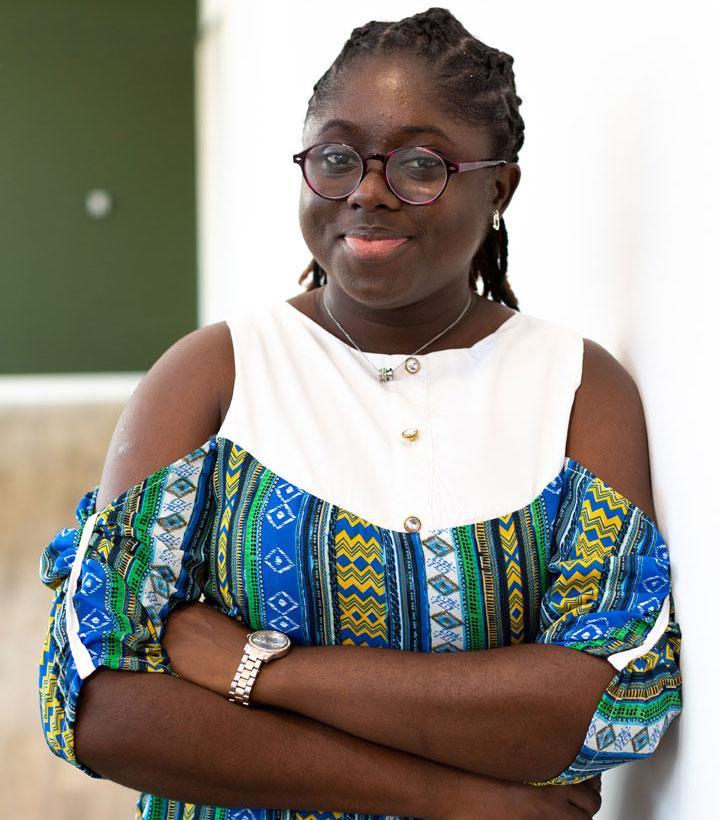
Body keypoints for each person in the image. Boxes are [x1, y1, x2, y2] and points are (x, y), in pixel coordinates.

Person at [38, 8, 682, 819]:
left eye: (421, 164)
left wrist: (257, 668)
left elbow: (611, 704)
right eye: (336, 158)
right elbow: (95, 701)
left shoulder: (579, 388)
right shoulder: (216, 374)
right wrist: (452, 799)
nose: (368, 192)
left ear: (500, 187)